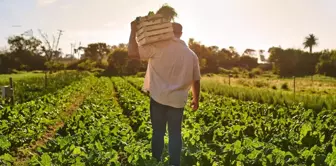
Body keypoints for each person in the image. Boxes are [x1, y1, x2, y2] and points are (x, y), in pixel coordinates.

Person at [127, 19, 201, 166]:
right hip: (177, 101)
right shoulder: (191, 54)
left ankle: (156, 162)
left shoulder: (158, 46)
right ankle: (174, 164)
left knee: (158, 133)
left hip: (158, 98)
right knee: (175, 134)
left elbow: (132, 53)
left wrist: (133, 30)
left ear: (166, 31)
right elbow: (196, 79)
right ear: (181, 34)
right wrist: (195, 99)